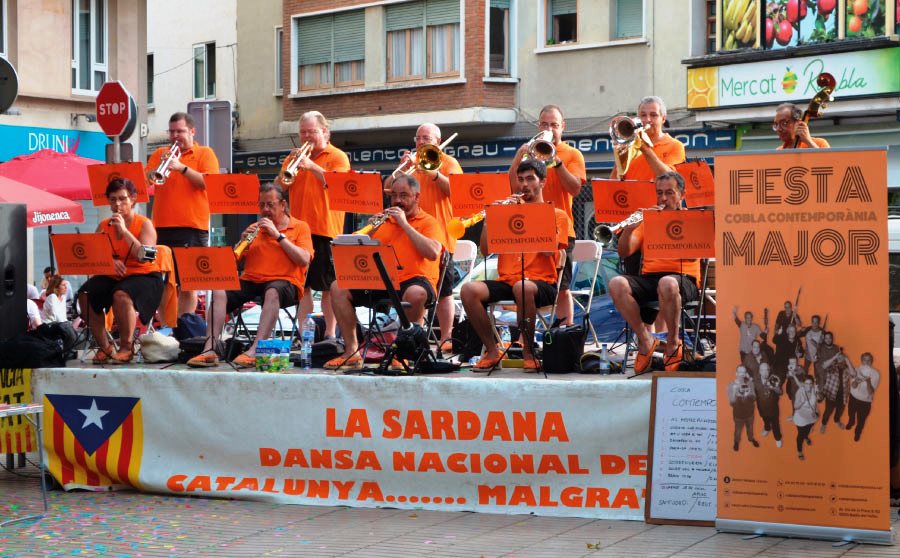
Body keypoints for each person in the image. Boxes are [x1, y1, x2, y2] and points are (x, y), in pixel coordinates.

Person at [188, 183, 313, 369]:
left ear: (283, 205)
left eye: (270, 205)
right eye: (261, 205)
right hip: (252, 280)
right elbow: (232, 265)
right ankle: (210, 349)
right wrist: (241, 242)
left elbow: (304, 259)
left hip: (286, 282)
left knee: (272, 291)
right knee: (220, 289)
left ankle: (255, 350)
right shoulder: (255, 227)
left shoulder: (300, 227)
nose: (265, 210)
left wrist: (278, 235)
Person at [461, 159, 569, 372]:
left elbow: (550, 250)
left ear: (543, 182)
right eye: (520, 180)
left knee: (523, 286)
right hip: (508, 280)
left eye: (530, 179)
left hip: (542, 283)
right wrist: (492, 218)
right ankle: (492, 351)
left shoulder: (558, 215)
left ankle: (529, 352)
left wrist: (528, 218)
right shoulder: (508, 213)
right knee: (468, 290)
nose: (524, 185)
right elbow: (486, 248)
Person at [326, 174, 442, 370]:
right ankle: (352, 350)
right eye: (394, 195)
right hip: (381, 280)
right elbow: (347, 246)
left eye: (404, 195)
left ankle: (404, 351)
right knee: (338, 287)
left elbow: (432, 252)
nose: (397, 200)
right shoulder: (383, 222)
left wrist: (404, 224)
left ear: (417, 197)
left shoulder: (429, 222)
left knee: (416, 293)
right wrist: (370, 231)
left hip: (414, 280)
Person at [608, 171, 700, 373]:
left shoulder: (693, 219)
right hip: (650, 278)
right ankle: (645, 340)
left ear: (682, 195)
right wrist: (631, 229)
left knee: (667, 283)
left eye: (669, 193)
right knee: (616, 284)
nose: (663, 199)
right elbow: (624, 251)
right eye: (659, 193)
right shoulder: (648, 220)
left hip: (683, 278)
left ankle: (673, 342)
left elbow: (696, 255)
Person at [383, 123, 462, 352]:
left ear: (437, 141)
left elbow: (457, 191)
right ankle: (417, 337)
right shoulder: (411, 163)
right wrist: (400, 168)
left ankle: (446, 338)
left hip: (438, 237)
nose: (420, 142)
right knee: (419, 289)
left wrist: (434, 173)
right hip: (407, 236)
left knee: (444, 292)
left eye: (426, 137)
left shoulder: (449, 163)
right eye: (418, 138)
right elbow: (388, 188)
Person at [508, 105, 585, 327]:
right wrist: (518, 155)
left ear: (562, 127)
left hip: (560, 227)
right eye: (544, 124)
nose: (548, 128)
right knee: (525, 282)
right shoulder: (529, 152)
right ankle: (526, 336)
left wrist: (556, 162)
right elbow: (514, 188)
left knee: (562, 286)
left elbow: (575, 189)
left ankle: (565, 331)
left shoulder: (572, 154)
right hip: (528, 226)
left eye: (553, 124)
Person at [77, 178, 163, 365]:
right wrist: (109, 262)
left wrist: (124, 231)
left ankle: (127, 347)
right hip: (114, 276)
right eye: (113, 199)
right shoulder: (103, 226)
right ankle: (105, 346)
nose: (117, 204)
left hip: (145, 275)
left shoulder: (144, 224)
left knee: (121, 294)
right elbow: (94, 256)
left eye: (123, 199)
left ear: (133, 199)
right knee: (84, 294)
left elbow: (145, 256)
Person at [280, 111, 351, 340]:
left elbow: (339, 184)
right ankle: (305, 335)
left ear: (324, 131)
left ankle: (330, 334)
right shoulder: (295, 158)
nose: (307, 136)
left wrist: (311, 166)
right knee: (303, 287)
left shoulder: (338, 156)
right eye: (303, 132)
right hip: (298, 231)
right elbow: (280, 186)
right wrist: (289, 166)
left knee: (329, 286)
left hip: (325, 229)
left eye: (311, 131)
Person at [146, 112, 220, 316]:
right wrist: (153, 171)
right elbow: (146, 181)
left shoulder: (205, 153)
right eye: (172, 131)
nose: (175, 135)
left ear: (192, 131)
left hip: (192, 227)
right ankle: (167, 326)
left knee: (189, 283)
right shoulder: (160, 152)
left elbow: (209, 183)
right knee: (163, 282)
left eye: (180, 131)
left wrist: (181, 168)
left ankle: (184, 326)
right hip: (161, 227)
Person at [610, 96, 685, 181]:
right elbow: (613, 182)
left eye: (653, 115)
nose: (647, 120)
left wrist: (645, 149)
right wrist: (620, 158)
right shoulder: (630, 145)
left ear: (663, 119)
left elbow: (670, 179)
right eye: (643, 115)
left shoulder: (675, 145)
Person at [816, 331, 849, 434]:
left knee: (840, 409)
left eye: (830, 338)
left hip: (835, 377)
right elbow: (823, 365)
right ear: (824, 339)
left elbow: (841, 362)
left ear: (832, 338)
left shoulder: (836, 348)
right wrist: (835, 358)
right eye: (826, 338)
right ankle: (823, 423)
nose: (828, 340)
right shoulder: (820, 348)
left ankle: (836, 420)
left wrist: (842, 359)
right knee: (828, 408)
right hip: (825, 375)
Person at [845, 352, 880, 442]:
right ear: (861, 361)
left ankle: (857, 432)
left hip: (865, 402)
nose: (866, 362)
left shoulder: (876, 374)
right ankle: (851, 422)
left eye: (868, 360)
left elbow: (871, 392)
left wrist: (868, 382)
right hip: (853, 398)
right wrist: (856, 381)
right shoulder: (856, 370)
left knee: (861, 420)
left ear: (871, 362)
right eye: (865, 360)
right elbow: (853, 386)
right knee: (851, 414)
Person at [789, 368, 820, 461]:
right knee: (800, 435)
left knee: (808, 429)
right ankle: (799, 451)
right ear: (804, 384)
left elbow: (818, 400)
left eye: (810, 383)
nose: (808, 386)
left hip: (812, 415)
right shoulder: (800, 391)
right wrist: (801, 402)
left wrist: (819, 394)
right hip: (801, 417)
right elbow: (796, 407)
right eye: (806, 383)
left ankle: (806, 437)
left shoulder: (814, 388)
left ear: (813, 384)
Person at [728, 366, 759, 451]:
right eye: (740, 372)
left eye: (744, 372)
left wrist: (748, 394)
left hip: (750, 413)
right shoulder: (731, 385)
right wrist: (735, 392)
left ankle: (751, 439)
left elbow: (754, 398)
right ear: (736, 373)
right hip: (738, 414)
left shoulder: (750, 383)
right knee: (738, 430)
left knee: (750, 428)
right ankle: (736, 442)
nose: (742, 374)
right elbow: (731, 403)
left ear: (746, 374)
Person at [754, 363, 784, 448]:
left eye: (767, 369)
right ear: (760, 371)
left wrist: (776, 388)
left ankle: (778, 438)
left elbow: (781, 392)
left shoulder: (774, 379)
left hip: (773, 408)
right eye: (763, 370)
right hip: (762, 408)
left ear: (769, 370)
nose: (765, 372)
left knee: (775, 424)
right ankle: (767, 428)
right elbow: (753, 394)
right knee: (765, 420)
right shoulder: (755, 382)